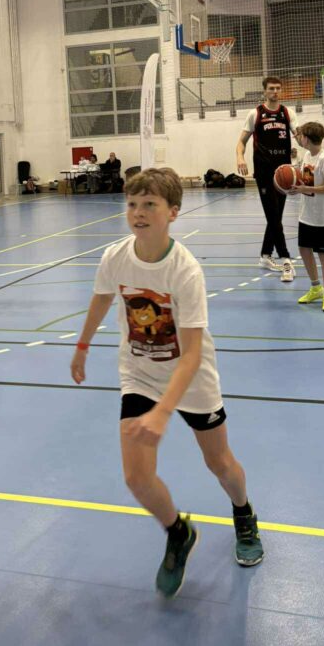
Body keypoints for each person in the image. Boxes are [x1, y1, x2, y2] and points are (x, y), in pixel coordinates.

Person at [70, 168, 264, 599]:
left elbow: (192, 354)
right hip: (139, 372)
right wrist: (82, 346)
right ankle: (178, 532)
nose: (138, 213)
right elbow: (102, 296)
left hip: (191, 379)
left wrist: (163, 412)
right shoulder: (115, 256)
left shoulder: (185, 270)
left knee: (220, 464)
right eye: (132, 204)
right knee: (137, 477)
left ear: (173, 212)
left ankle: (243, 512)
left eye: (149, 205)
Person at [236, 76, 300, 282]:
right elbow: (241, 142)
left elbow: (299, 137)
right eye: (271, 88)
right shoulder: (255, 114)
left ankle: (265, 256)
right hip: (264, 172)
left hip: (283, 173)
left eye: (278, 88)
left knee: (276, 216)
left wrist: (310, 142)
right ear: (264, 91)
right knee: (273, 215)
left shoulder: (287, 113)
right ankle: (286, 260)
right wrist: (240, 157)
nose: (275, 91)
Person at [291, 122, 324, 312]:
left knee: (323, 255)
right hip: (306, 214)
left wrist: (306, 188)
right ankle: (315, 287)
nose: (299, 138)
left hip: (322, 216)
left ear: (307, 139)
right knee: (304, 250)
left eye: (301, 136)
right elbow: (306, 180)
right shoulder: (307, 155)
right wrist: (294, 186)